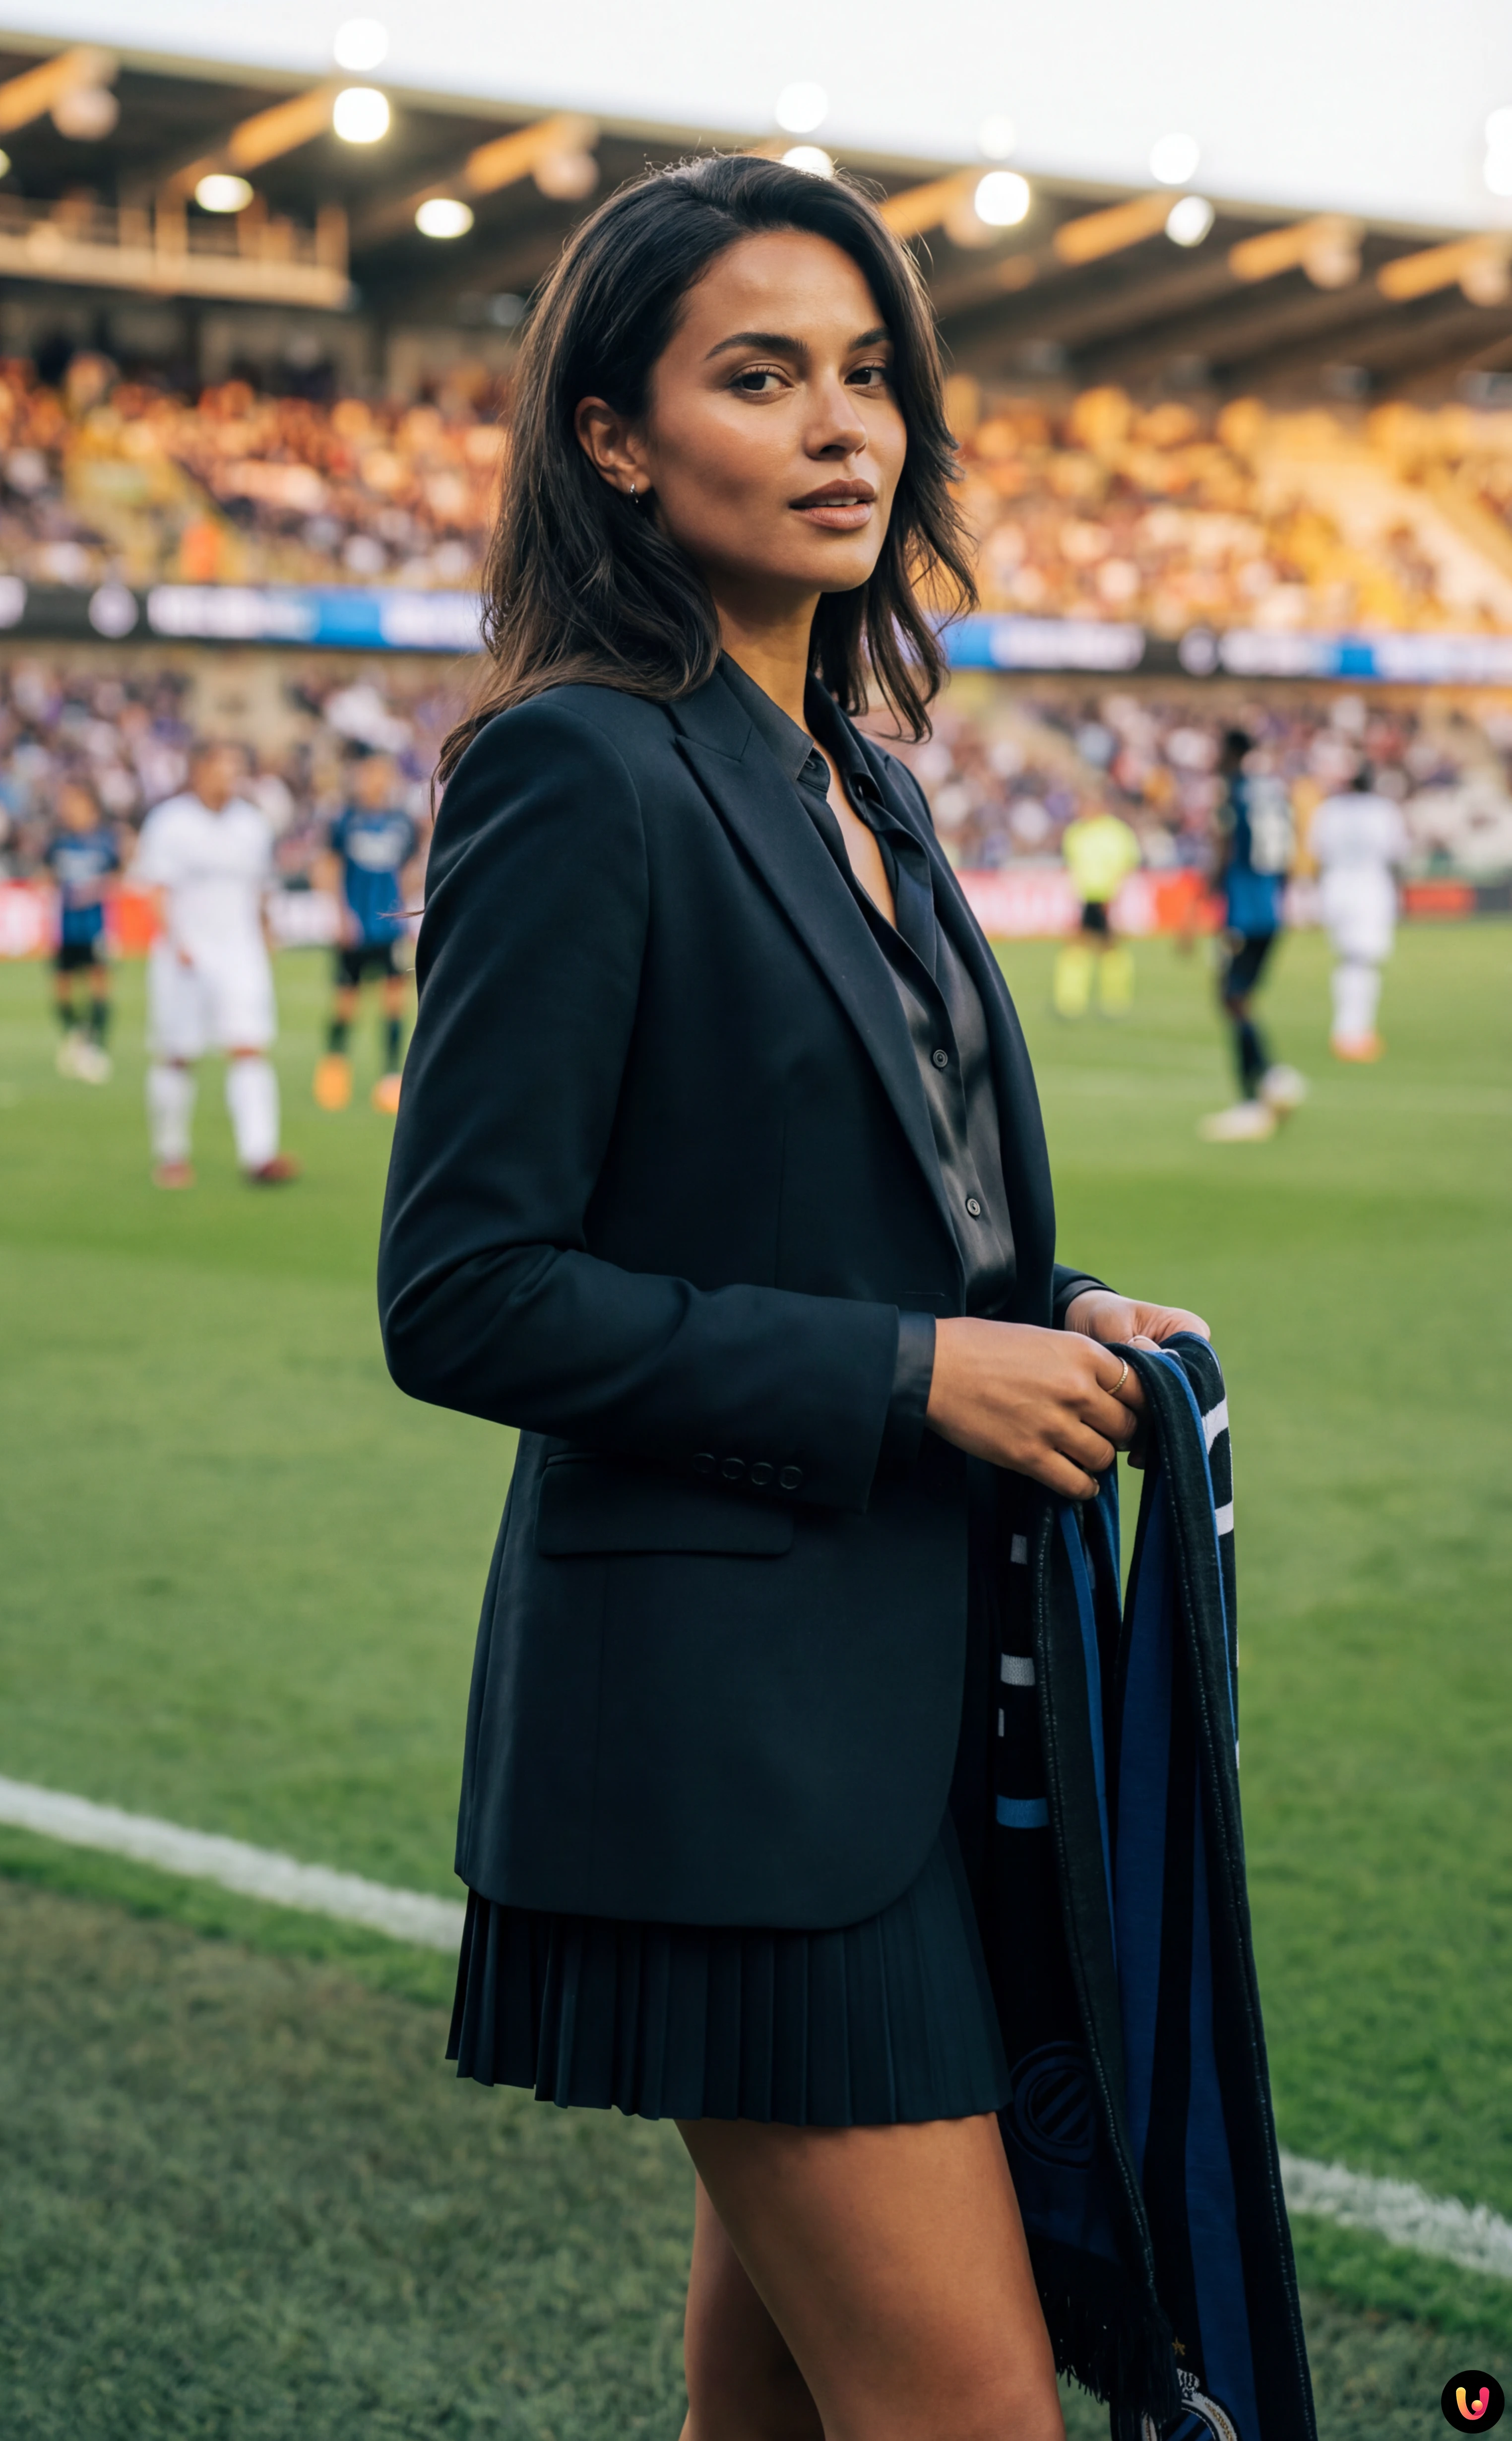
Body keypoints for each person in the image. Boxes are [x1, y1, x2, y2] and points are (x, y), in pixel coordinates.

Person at [378, 155, 1212, 2441]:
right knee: (971, 2410)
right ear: (615, 440)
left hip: (925, 1729)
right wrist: (912, 1373)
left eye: (870, 377)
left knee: (772, 2412)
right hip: (719, 1760)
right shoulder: (574, 769)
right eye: (760, 376)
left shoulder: (866, 785)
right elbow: (462, 1293)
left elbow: (850, 1207)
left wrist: (1045, 1305)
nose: (844, 425)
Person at [132, 739, 299, 1190]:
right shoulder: (170, 822)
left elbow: (261, 887)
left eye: (236, 769)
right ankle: (171, 1154)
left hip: (240, 951)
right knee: (177, 1054)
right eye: (222, 768)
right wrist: (176, 941)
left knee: (249, 1047)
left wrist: (267, 932)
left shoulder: (251, 825)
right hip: (184, 954)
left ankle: (259, 1154)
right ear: (200, 771)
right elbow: (155, 889)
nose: (230, 777)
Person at [1200, 727, 1308, 1143]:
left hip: (1244, 909)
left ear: (1232, 753)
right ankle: (1268, 1083)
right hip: (1271, 907)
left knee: (1232, 997)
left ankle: (1260, 1091)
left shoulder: (1235, 791)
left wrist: (1204, 904)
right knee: (1238, 996)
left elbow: (1224, 849)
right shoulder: (1273, 792)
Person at [312, 748, 420, 1115]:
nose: (376, 781)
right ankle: (334, 1068)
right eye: (370, 773)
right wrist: (340, 915)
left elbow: (409, 869)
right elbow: (328, 867)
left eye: (383, 774)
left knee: (394, 1000)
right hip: (355, 926)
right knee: (346, 1001)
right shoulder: (344, 820)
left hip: (389, 928)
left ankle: (390, 1078)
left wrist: (406, 913)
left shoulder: (402, 823)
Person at [1309, 764, 1410, 1061]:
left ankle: (1350, 1030)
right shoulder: (1384, 811)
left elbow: (1317, 850)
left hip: (1336, 887)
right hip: (1370, 888)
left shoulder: (1330, 810)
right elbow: (1398, 852)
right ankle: (1353, 1032)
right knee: (1363, 963)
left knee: (1348, 960)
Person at [44, 778, 121, 1081]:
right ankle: (76, 1036)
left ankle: (97, 1044)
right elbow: (48, 875)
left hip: (95, 926)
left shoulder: (104, 841)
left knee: (99, 982)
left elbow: (114, 877)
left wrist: (91, 891)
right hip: (65, 927)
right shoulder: (59, 842)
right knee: (61, 986)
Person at [1053, 802, 1139, 1018]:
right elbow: (1070, 866)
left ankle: (1115, 1002)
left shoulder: (1117, 832)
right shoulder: (1075, 832)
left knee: (1109, 949)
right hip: (1083, 898)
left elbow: (1128, 865)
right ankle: (1071, 1002)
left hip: (1108, 898)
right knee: (1078, 948)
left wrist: (1116, 897)